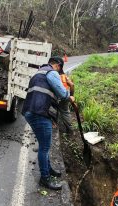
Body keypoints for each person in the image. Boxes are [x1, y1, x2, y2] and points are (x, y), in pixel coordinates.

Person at [22, 56, 75, 190]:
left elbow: (43, 94)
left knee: (44, 144)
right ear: (57, 64)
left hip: (31, 111)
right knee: (44, 147)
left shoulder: (39, 73)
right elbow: (62, 93)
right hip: (38, 113)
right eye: (60, 69)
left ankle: (49, 169)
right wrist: (70, 95)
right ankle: (44, 178)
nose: (59, 71)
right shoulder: (52, 73)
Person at [58, 71, 74, 135]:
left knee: (63, 111)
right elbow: (72, 85)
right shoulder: (64, 76)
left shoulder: (55, 76)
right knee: (65, 112)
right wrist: (71, 96)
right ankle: (69, 129)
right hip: (66, 95)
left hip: (61, 96)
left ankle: (67, 130)